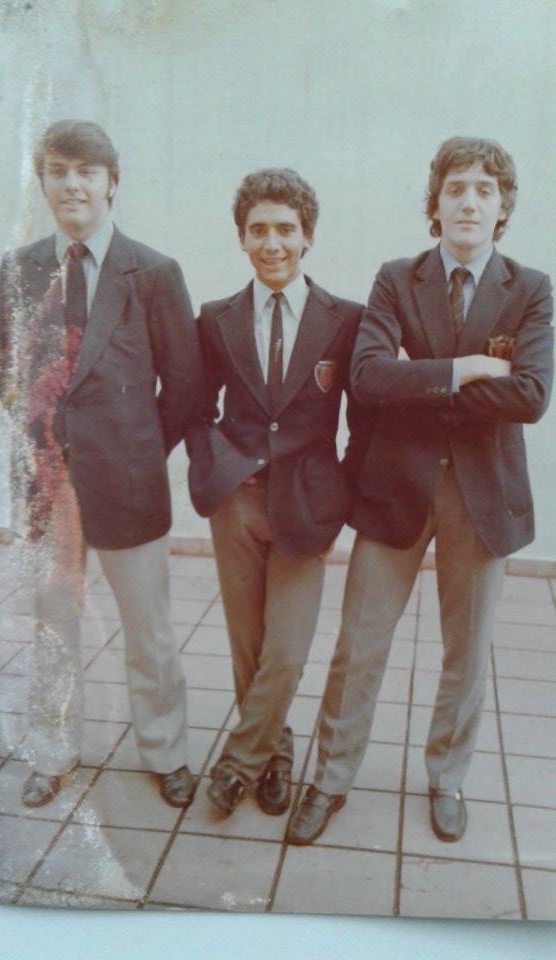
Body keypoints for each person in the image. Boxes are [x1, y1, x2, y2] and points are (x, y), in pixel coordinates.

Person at [287, 137, 554, 845]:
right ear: (435, 202)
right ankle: (330, 778)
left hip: (483, 497)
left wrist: (422, 378)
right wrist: (469, 368)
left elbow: (531, 395)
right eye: (456, 188)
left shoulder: (530, 288)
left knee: (467, 650)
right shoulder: (396, 280)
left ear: (503, 208)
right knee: (359, 643)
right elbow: (369, 376)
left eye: (485, 190)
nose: (470, 201)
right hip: (395, 488)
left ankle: (447, 778)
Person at [0, 120, 202, 809]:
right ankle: (53, 750)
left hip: (130, 484)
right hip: (48, 487)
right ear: (44, 182)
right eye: (58, 171)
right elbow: (5, 374)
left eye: (87, 171)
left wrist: (134, 451)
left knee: (149, 629)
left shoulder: (154, 273)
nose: (72, 184)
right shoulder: (18, 270)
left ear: (113, 182)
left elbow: (186, 387)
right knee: (53, 627)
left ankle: (166, 750)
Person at [187, 168, 368, 817]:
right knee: (249, 649)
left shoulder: (344, 320)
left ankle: (237, 764)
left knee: (286, 653)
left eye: (285, 229)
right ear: (241, 237)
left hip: (306, 505)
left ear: (307, 235)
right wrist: (218, 468)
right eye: (258, 230)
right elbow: (195, 408)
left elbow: (364, 419)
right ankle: (274, 756)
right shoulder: (216, 319)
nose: (272, 243)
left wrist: (339, 494)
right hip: (237, 502)